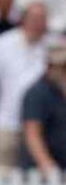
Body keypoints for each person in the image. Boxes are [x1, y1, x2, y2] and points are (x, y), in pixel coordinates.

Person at [0, 2, 48, 168]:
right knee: (2, 180)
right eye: (34, 18)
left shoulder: (54, 47)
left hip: (41, 129)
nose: (37, 23)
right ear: (23, 20)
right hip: (6, 125)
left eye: (42, 19)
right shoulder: (1, 44)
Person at [21, 37, 66, 175]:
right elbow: (32, 134)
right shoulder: (37, 93)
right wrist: (48, 166)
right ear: (49, 66)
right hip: (43, 175)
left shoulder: (61, 91)